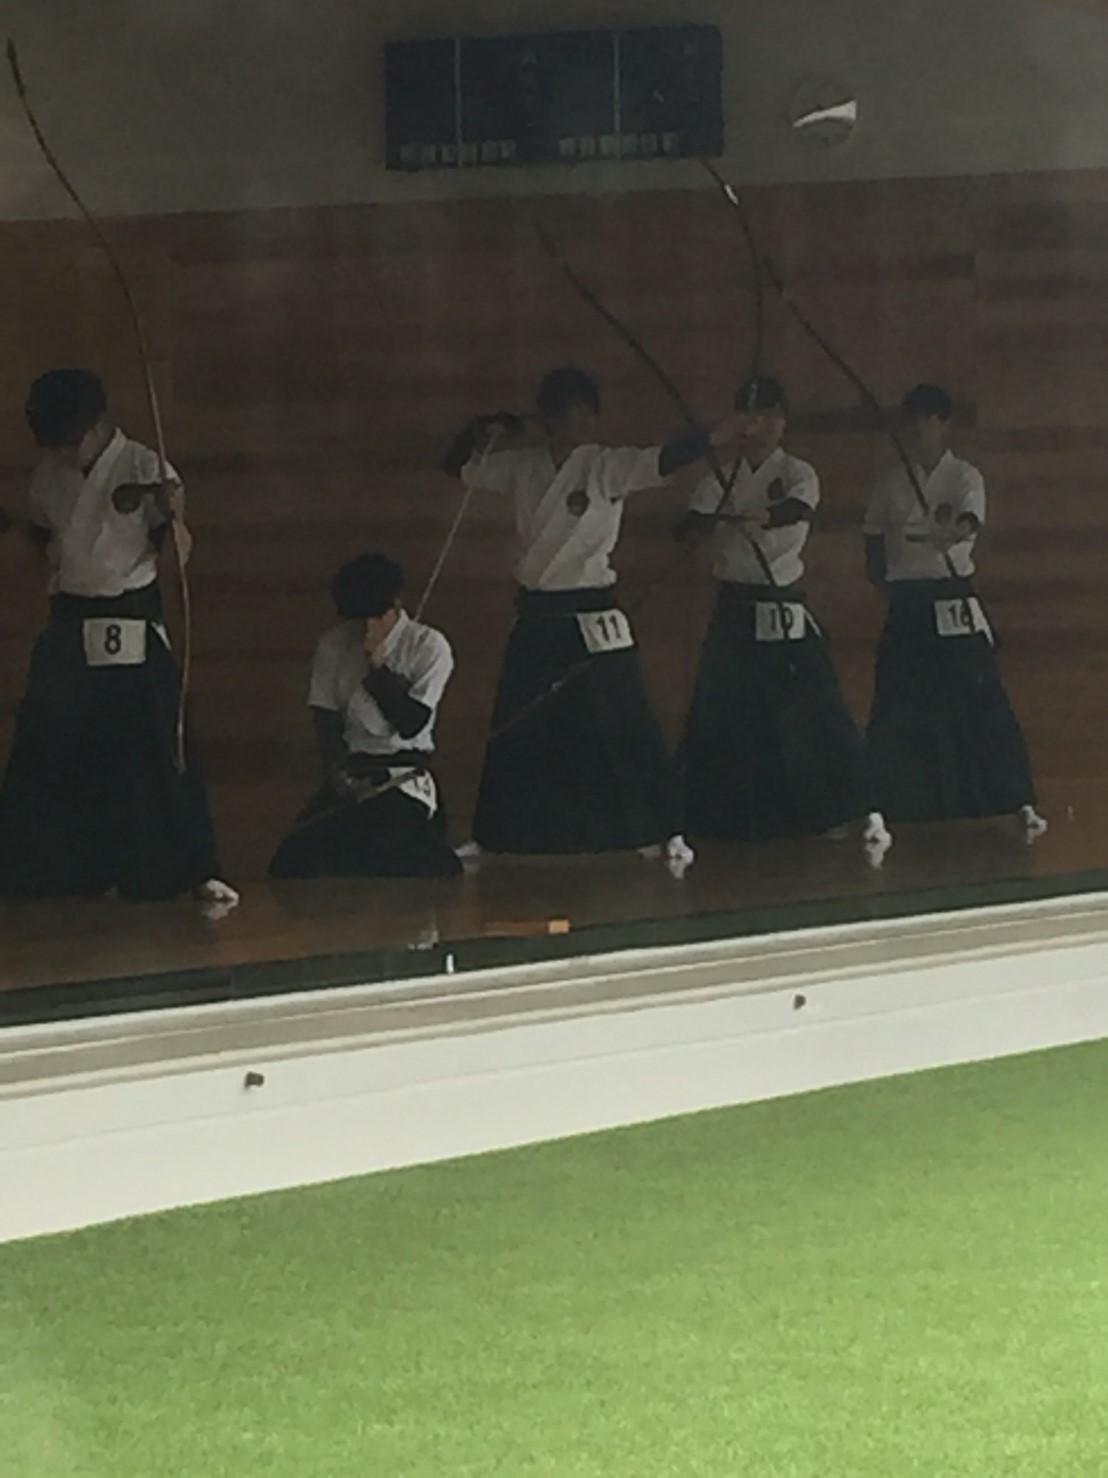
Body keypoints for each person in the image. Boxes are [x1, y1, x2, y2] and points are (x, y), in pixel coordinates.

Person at [442, 365, 740, 869]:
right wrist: (481, 428)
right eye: (566, 413)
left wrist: (718, 435)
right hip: (539, 611)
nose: (577, 423)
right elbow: (457, 466)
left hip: (594, 612)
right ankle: (498, 834)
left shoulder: (605, 466)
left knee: (625, 721)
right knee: (520, 725)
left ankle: (664, 826)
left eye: (585, 413)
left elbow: (666, 457)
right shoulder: (522, 466)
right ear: (548, 418)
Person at [0, 368, 238, 911]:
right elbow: (40, 547)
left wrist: (175, 517)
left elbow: (176, 557)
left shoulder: (144, 468)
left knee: (158, 748)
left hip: (130, 619)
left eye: (70, 439)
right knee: (47, 747)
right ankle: (39, 871)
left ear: (95, 425)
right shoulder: (48, 475)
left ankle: (194, 869)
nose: (63, 451)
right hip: (69, 621)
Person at [676, 376, 890, 857]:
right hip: (735, 607)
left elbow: (796, 508)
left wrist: (761, 518)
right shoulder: (720, 477)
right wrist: (709, 523)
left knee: (816, 712)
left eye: (773, 414)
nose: (764, 424)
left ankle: (854, 808)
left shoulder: (798, 473)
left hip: (783, 605)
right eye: (753, 415)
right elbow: (686, 527)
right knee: (720, 711)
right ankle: (707, 815)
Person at [864, 383, 1045, 835]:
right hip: (908, 599)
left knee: (981, 697)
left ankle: (1016, 798)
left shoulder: (965, 476)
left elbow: (969, 519)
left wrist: (953, 533)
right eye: (913, 422)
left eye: (929, 421)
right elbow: (873, 540)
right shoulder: (891, 482)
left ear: (945, 425)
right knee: (899, 702)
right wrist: (887, 584)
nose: (919, 430)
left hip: (952, 596)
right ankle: (886, 803)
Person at [269, 552, 461, 878]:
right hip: (354, 773)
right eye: (360, 619)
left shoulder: (428, 645)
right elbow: (325, 719)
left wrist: (378, 669)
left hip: (403, 777)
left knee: (386, 847)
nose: (368, 627)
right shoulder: (334, 644)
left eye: (376, 617)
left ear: (395, 605)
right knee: (294, 858)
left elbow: (411, 723)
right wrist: (337, 773)